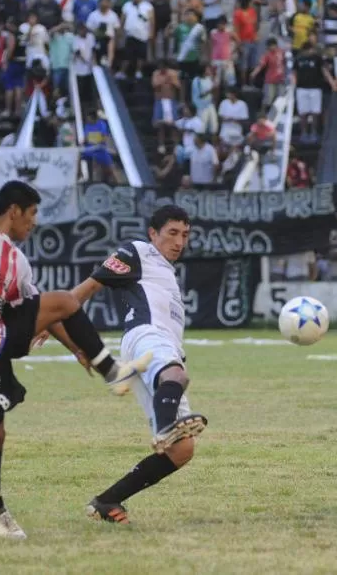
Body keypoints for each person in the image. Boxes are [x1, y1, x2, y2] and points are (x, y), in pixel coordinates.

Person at [0, 181, 153, 540]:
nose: (34, 223)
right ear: (14, 210)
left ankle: (113, 372)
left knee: (66, 301)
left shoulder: (18, 263)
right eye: (33, 213)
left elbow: (51, 312)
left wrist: (76, 348)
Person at [68, 206, 208, 525]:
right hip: (145, 335)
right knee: (176, 375)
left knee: (182, 450)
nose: (179, 242)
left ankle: (107, 501)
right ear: (152, 234)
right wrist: (50, 321)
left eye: (185, 235)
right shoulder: (137, 252)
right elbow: (86, 289)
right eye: (172, 233)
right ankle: (164, 429)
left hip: (161, 345)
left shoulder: (167, 272)